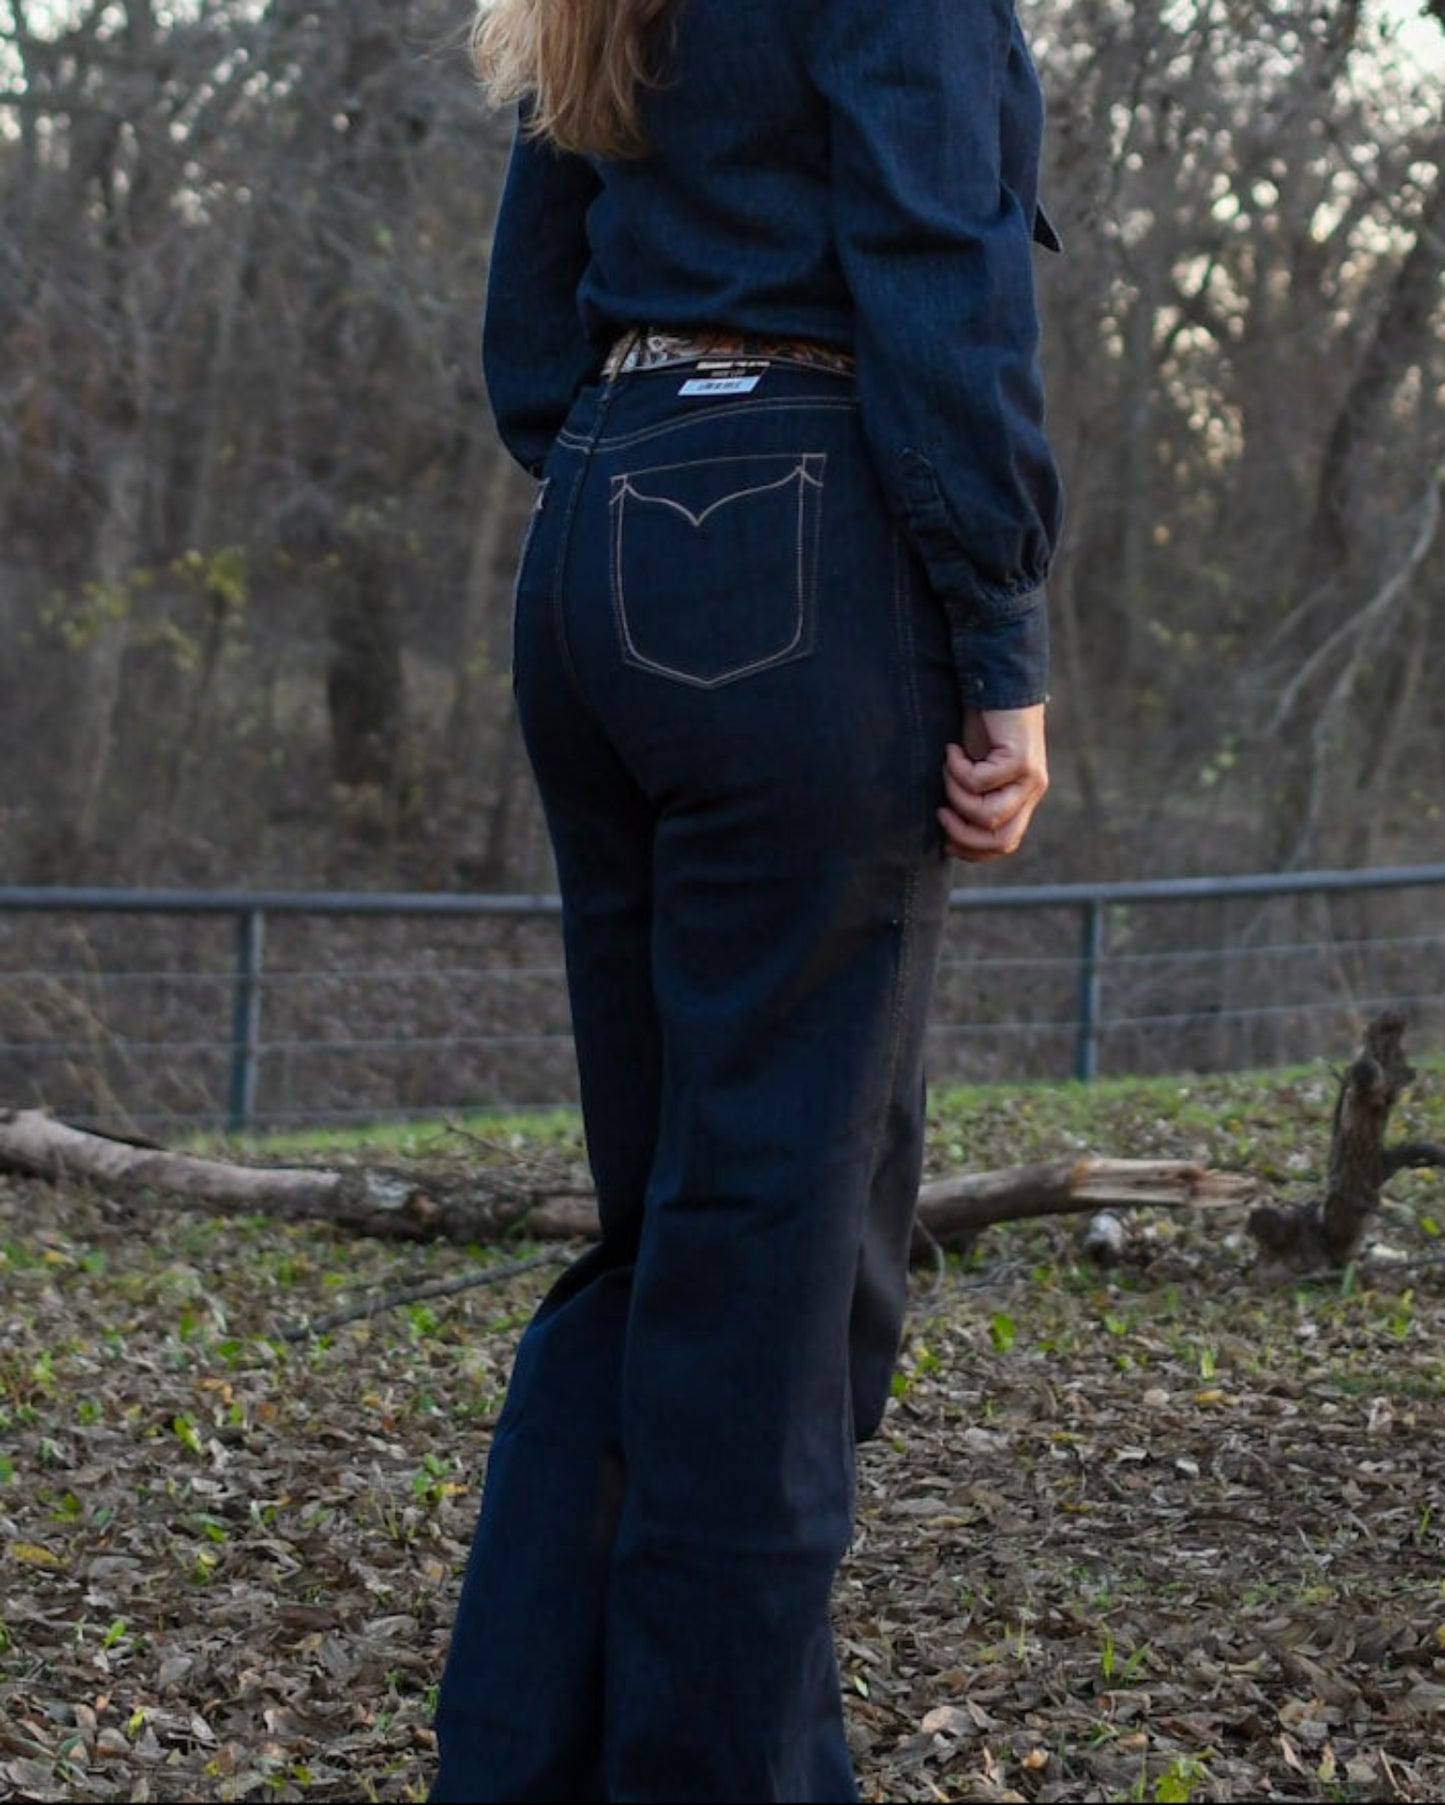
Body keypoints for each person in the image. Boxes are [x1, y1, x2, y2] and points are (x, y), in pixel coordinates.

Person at [429, 1, 1062, 1798]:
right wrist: (998, 635)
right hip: (798, 532)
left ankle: (538, 1761)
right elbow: (941, 266)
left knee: (679, 1241)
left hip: (604, 530)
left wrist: (643, 501)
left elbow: (525, 320)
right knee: (774, 1269)